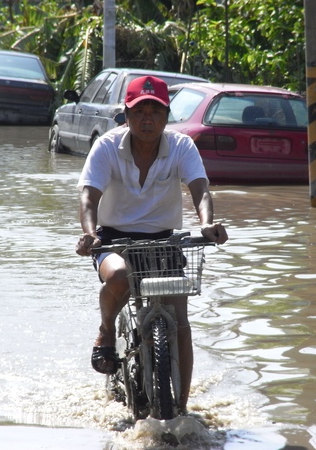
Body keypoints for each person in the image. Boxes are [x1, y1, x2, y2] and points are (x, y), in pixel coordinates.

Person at [75, 75, 228, 410]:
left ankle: (182, 409)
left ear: (166, 115)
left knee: (181, 323)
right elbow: (89, 198)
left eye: (155, 111)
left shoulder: (182, 146)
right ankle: (105, 329)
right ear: (126, 115)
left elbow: (200, 189)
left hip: (164, 240)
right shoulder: (106, 147)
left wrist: (207, 225)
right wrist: (90, 233)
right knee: (118, 276)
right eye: (139, 111)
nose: (147, 119)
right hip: (113, 238)